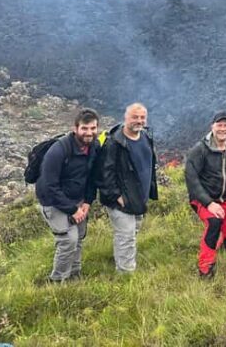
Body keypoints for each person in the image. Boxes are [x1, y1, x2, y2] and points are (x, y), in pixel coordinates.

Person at [36, 108, 100, 282]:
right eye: (84, 128)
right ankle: (57, 281)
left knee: (79, 237)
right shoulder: (58, 150)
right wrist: (72, 210)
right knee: (68, 240)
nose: (89, 133)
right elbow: (49, 186)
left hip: (78, 198)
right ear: (75, 128)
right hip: (53, 201)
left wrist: (87, 201)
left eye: (93, 128)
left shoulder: (94, 147)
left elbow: (93, 176)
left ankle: (74, 275)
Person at [97, 102, 158, 273]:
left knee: (132, 232)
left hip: (139, 197)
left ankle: (121, 259)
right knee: (126, 236)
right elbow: (103, 173)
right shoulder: (114, 143)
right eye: (135, 117)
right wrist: (116, 196)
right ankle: (126, 274)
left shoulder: (145, 137)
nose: (139, 121)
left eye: (142, 117)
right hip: (121, 199)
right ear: (125, 118)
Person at [185, 112, 226, 278]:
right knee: (214, 223)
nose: (222, 129)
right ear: (212, 127)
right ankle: (205, 267)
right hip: (203, 199)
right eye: (219, 125)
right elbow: (191, 179)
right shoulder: (200, 150)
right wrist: (208, 203)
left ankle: (219, 247)